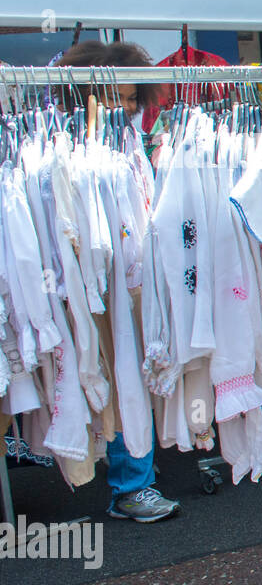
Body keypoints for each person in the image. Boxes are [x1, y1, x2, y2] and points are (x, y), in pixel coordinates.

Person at [55, 40, 180, 522]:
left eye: (132, 99)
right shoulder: (62, 141)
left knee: (126, 369)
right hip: (87, 275)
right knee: (103, 370)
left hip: (124, 275)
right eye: (119, 97)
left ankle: (133, 479)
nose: (127, 107)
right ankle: (127, 480)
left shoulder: (123, 135)